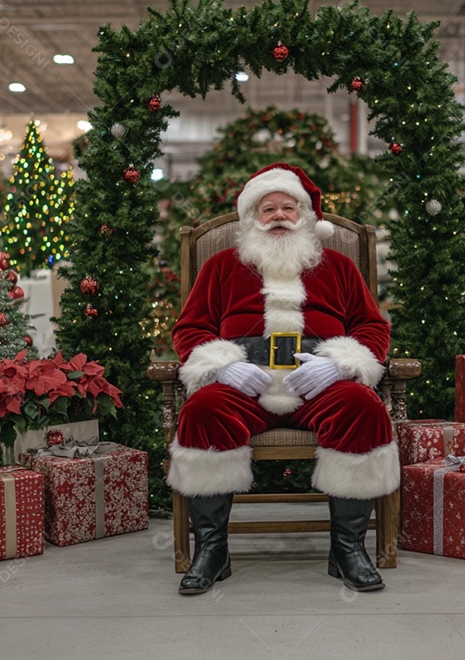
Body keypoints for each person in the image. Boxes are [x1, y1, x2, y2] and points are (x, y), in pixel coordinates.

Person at [167, 163, 399, 595]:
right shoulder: (221, 266)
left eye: (287, 208)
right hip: (245, 385)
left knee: (361, 406)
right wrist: (223, 365)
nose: (277, 216)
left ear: (305, 216)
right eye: (267, 208)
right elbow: (190, 329)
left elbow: (372, 327)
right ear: (251, 218)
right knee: (203, 409)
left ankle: (347, 549)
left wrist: (340, 362)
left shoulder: (338, 267)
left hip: (318, 383)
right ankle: (212, 550)